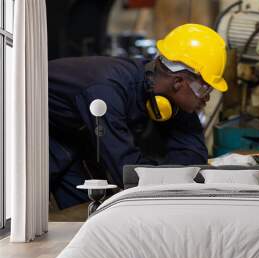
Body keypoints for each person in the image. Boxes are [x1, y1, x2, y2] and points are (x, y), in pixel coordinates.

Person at [49, 24, 228, 209]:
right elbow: (127, 173)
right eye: (205, 88)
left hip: (73, 134)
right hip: (35, 130)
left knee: (84, 212)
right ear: (178, 82)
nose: (207, 97)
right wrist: (165, 177)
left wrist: (161, 177)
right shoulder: (107, 91)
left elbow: (194, 156)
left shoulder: (173, 98)